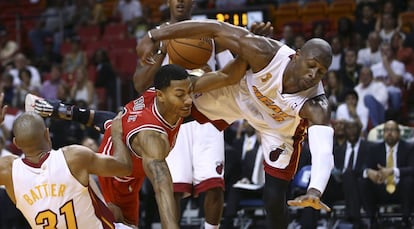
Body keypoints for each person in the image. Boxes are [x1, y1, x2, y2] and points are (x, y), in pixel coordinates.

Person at [137, 20, 334, 228]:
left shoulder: (316, 105)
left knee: (273, 199)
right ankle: (121, 121)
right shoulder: (264, 53)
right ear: (297, 55)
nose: (313, 74)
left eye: (321, 71)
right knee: (171, 110)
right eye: (311, 65)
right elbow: (214, 28)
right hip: (241, 96)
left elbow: (323, 151)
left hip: (278, 129)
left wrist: (315, 190)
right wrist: (154, 35)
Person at [31, 61, 248, 227]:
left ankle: (59, 109)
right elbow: (162, 188)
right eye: (181, 95)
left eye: (188, 92)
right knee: (120, 221)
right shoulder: (151, 137)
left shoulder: (173, 91)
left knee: (113, 123)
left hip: (122, 138)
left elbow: (225, 75)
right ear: (161, 96)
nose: (189, 100)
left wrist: (249, 51)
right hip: (116, 179)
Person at [132, 1, 273, 228]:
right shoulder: (155, 38)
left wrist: (252, 42)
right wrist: (162, 50)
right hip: (172, 120)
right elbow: (140, 84)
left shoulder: (211, 32)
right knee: (173, 189)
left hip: (206, 113)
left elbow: (233, 71)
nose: (180, 2)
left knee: (214, 186)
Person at [0, 98, 134, 228]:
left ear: (16, 143)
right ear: (47, 134)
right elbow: (125, 167)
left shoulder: (8, 171)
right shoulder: (73, 157)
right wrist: (116, 133)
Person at [360, 120, 414, 228]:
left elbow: (412, 168)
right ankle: (372, 219)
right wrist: (369, 172)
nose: (389, 133)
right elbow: (364, 167)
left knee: (409, 181)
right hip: (381, 188)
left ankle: (406, 219)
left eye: (392, 130)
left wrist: (392, 171)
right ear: (383, 133)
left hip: (401, 189)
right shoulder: (374, 149)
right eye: (386, 130)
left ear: (399, 133)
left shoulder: (409, 148)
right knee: (364, 181)